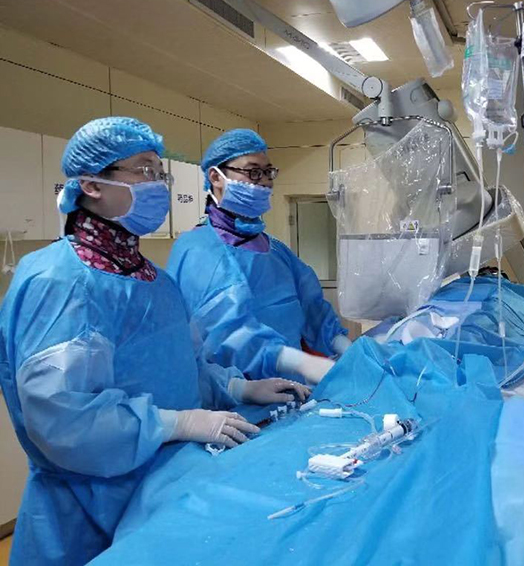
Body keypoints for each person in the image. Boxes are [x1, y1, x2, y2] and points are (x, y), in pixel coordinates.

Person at [0, 118, 308, 566]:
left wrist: (239, 388)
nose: (159, 185)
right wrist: (176, 424)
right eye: (145, 170)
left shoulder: (156, 282)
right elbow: (63, 418)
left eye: (160, 173)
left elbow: (184, 367)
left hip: (165, 490)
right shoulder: (59, 282)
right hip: (87, 510)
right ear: (92, 185)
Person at [167, 129, 352, 386]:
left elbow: (313, 309)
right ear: (216, 177)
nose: (264, 181)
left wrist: (343, 346)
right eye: (253, 172)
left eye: (268, 172)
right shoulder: (197, 249)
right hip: (233, 395)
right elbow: (225, 333)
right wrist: (301, 362)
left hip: (292, 389)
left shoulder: (275, 250)